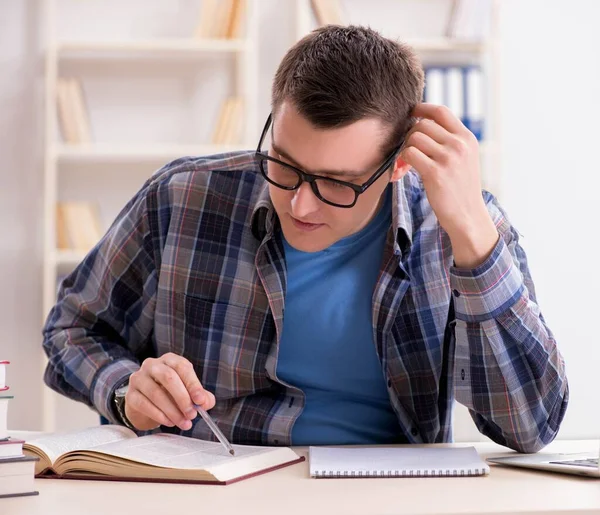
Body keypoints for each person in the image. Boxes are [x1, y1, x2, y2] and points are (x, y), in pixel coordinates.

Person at [42, 25, 568, 452]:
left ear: (399, 164)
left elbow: (529, 428)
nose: (300, 205)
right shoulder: (181, 198)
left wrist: (475, 239)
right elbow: (72, 327)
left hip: (389, 500)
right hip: (206, 494)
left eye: (337, 182)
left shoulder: (457, 228)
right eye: (285, 165)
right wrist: (122, 389)